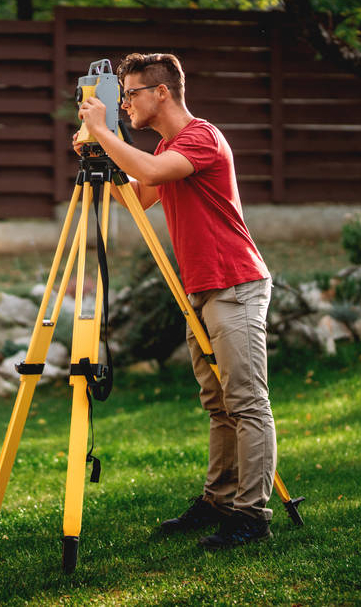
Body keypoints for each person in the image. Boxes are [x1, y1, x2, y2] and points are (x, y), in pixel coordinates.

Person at [74, 52, 276, 549]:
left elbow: (154, 172)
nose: (123, 104)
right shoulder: (168, 146)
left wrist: (104, 133)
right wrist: (98, 157)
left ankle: (251, 515)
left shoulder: (200, 138)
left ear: (161, 92)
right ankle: (218, 501)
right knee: (218, 404)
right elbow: (138, 195)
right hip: (202, 288)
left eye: (131, 94)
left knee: (247, 403)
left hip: (234, 284)